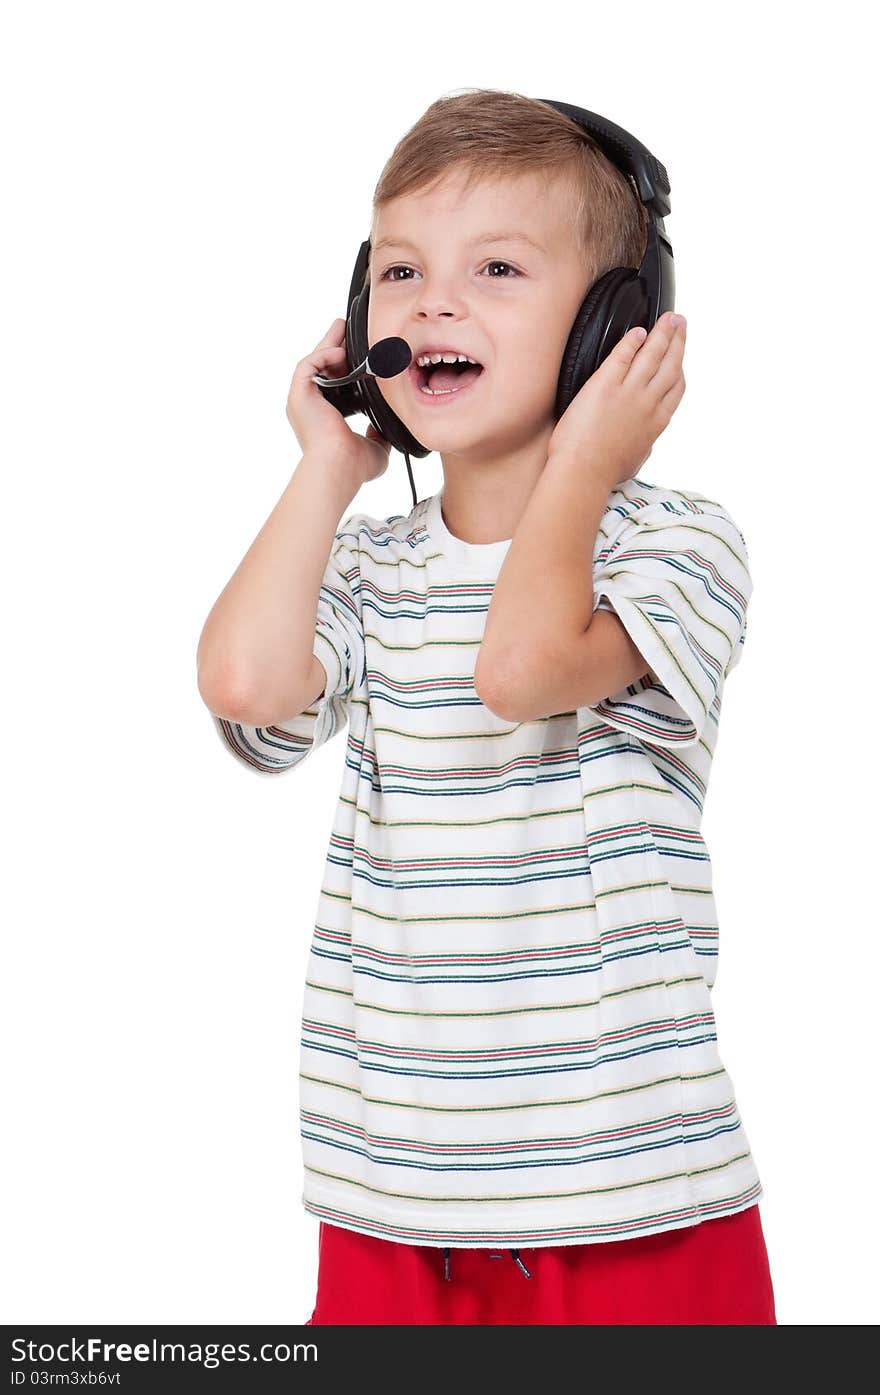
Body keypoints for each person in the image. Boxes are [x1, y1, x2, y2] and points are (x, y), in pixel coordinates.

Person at [196, 89, 777, 1325]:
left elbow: (520, 667)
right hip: (396, 1198)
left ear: (613, 330)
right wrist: (327, 467)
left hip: (634, 1196)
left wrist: (583, 463)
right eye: (398, 273)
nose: (430, 306)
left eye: (496, 268)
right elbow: (247, 687)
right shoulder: (362, 567)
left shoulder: (674, 548)